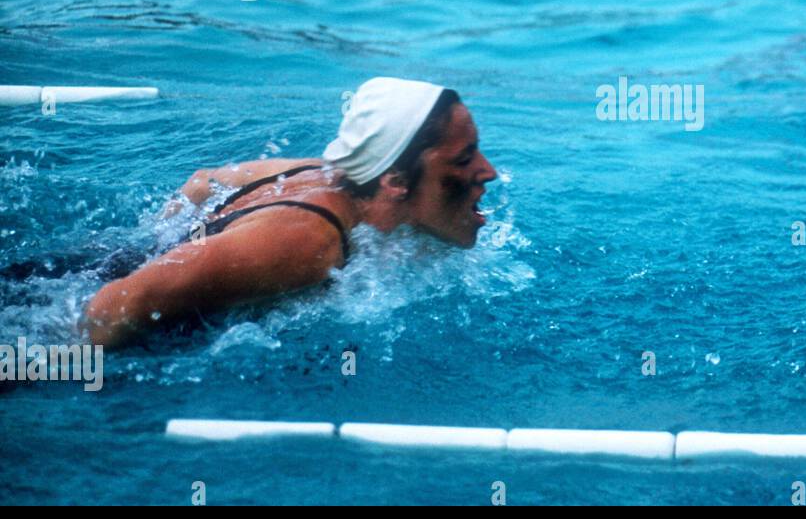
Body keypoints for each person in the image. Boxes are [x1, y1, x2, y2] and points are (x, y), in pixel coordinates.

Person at [82, 77, 497, 348]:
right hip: (62, 316)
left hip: (104, 263)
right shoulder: (307, 243)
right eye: (463, 159)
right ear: (395, 182)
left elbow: (202, 182)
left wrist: (158, 244)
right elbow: (113, 305)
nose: (488, 172)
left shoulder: (326, 174)